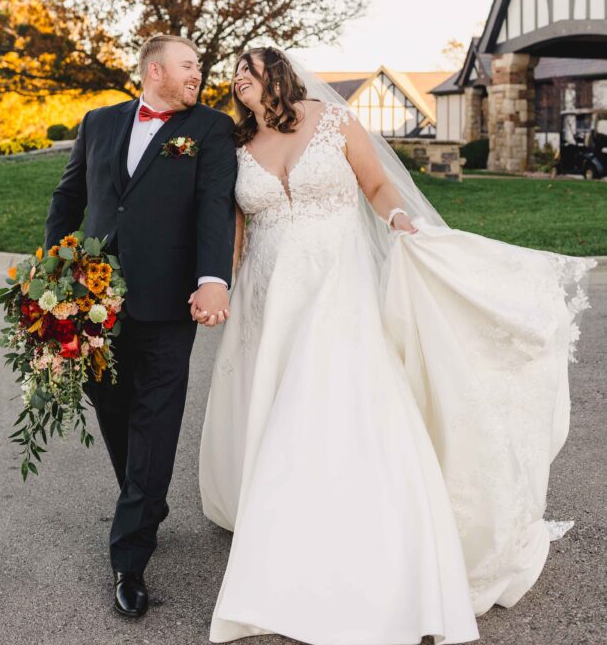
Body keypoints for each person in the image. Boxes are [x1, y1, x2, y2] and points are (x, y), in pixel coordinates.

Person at [197, 45, 594, 645]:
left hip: (337, 281)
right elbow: (237, 227)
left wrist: (398, 221)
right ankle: (273, 506)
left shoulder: (331, 121)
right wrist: (219, 285)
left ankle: (343, 519)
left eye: (247, 72)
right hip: (267, 292)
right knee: (272, 394)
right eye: (233, 76)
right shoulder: (238, 148)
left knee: (332, 393)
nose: (237, 82)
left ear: (277, 76)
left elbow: (378, 183)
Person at [45, 34, 236, 619]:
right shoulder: (98, 121)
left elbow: (214, 206)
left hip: (166, 300)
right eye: (188, 65)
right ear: (155, 70)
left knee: (156, 417)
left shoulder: (210, 128)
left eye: (199, 66)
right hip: (93, 296)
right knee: (111, 406)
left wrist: (212, 278)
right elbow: (69, 196)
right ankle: (144, 501)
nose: (197, 73)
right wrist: (56, 270)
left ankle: (129, 558)